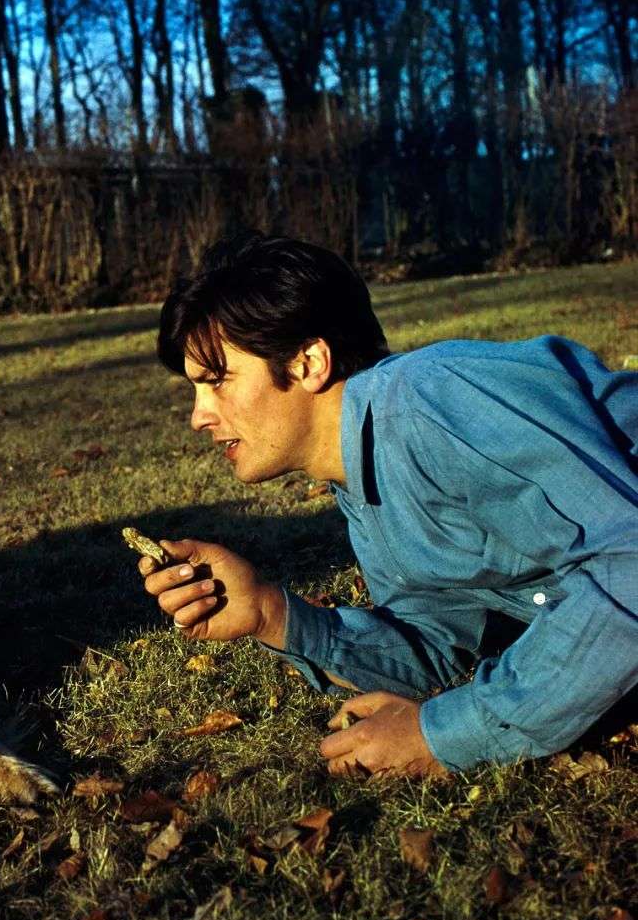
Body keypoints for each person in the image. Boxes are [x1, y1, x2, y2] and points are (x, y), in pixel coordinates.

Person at [138, 234, 638, 777]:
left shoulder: (428, 400)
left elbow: (630, 561)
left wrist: (444, 735)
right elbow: (438, 648)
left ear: (308, 363)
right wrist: (270, 614)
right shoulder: (363, 479)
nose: (199, 417)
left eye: (217, 382)